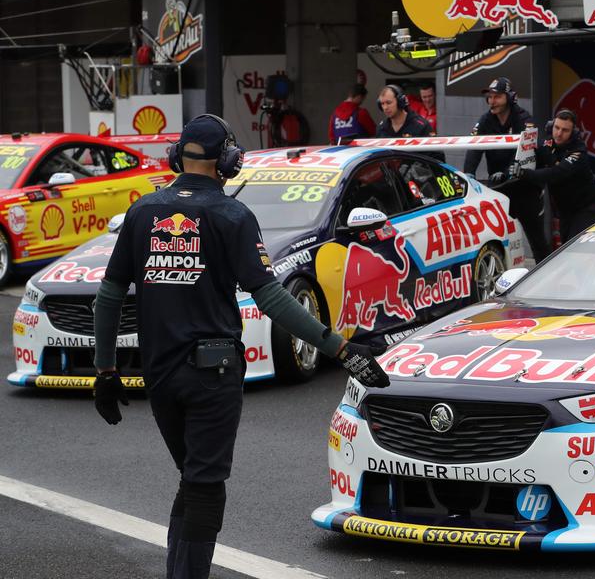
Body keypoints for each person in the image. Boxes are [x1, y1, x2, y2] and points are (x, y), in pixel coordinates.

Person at [91, 115, 388, 579]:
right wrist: (341, 349)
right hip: (213, 376)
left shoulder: (142, 212)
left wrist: (105, 371)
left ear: (177, 156)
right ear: (228, 162)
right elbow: (271, 297)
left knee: (193, 479)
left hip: (160, 376)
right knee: (205, 487)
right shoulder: (233, 216)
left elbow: (109, 295)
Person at [464, 77, 549, 260]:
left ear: (510, 98)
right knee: (496, 239)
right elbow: (474, 147)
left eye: (497, 97)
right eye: (490, 97)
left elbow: (525, 150)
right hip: (500, 191)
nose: (492, 101)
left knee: (538, 242)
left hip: (526, 189)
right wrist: (468, 174)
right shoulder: (485, 119)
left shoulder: (524, 118)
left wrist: (507, 171)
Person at [494, 109, 595, 244]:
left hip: (587, 207)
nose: (559, 133)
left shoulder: (578, 151)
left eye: (565, 130)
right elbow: (526, 160)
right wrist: (506, 174)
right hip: (565, 209)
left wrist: (523, 173)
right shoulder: (546, 142)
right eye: (557, 128)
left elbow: (555, 173)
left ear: (573, 132)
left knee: (575, 247)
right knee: (565, 249)